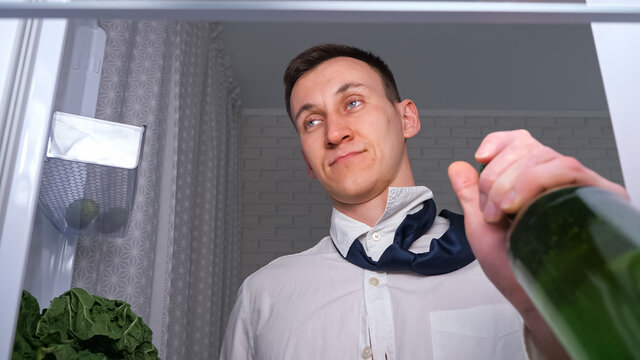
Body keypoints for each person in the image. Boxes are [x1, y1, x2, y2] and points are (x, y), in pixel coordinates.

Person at [219, 44, 628, 360]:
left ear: (407, 119)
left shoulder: (519, 266)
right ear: (308, 160)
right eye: (311, 121)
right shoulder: (263, 295)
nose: (334, 132)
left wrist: (614, 253)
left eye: (353, 102)